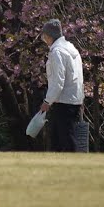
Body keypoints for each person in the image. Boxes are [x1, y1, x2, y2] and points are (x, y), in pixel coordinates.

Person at [39, 18, 84, 152]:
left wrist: (48, 101)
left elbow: (58, 80)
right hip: (74, 98)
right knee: (57, 138)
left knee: (66, 137)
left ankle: (75, 167)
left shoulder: (57, 52)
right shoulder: (71, 48)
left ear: (48, 36)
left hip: (63, 100)